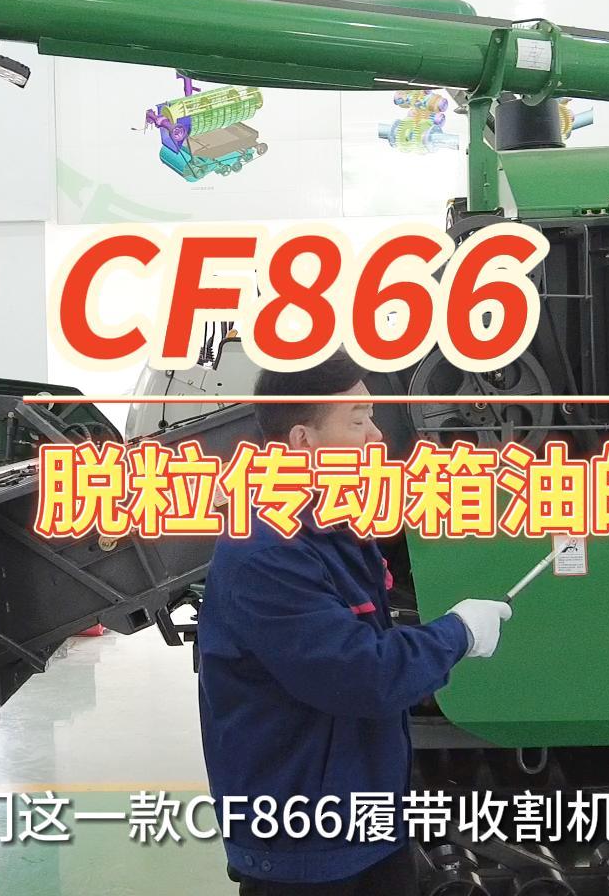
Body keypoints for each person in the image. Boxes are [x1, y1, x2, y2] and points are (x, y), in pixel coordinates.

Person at [195, 351, 514, 894]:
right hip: (304, 850)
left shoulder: (335, 528)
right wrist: (458, 633)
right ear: (303, 442)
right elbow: (363, 677)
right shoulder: (265, 554)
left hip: (366, 823)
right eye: (358, 421)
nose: (377, 438)